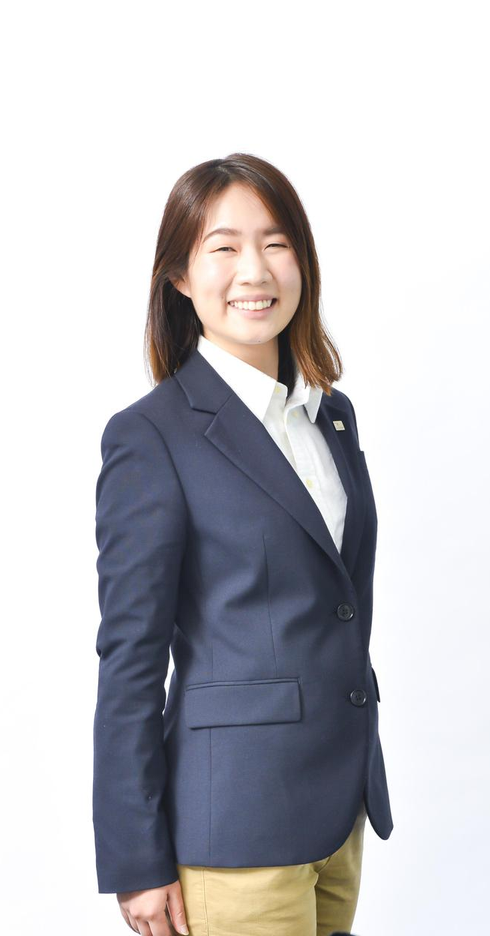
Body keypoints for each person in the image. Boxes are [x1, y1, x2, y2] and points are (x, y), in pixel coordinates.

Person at [93, 153, 392, 936]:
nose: (254, 270)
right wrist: (136, 858)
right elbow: (130, 658)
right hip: (236, 826)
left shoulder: (330, 417)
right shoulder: (151, 437)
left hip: (339, 812)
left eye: (276, 243)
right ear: (180, 277)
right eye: (223, 247)